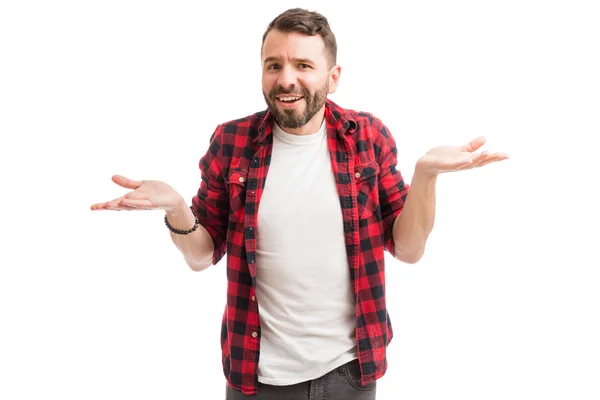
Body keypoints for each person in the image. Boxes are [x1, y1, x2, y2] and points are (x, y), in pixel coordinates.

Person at [91, 8, 508, 399]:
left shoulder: (367, 136)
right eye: (274, 65)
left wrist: (426, 176)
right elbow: (202, 257)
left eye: (303, 66)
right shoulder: (231, 142)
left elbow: (410, 249)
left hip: (350, 372)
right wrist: (178, 209)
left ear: (333, 76)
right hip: (256, 377)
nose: (286, 80)